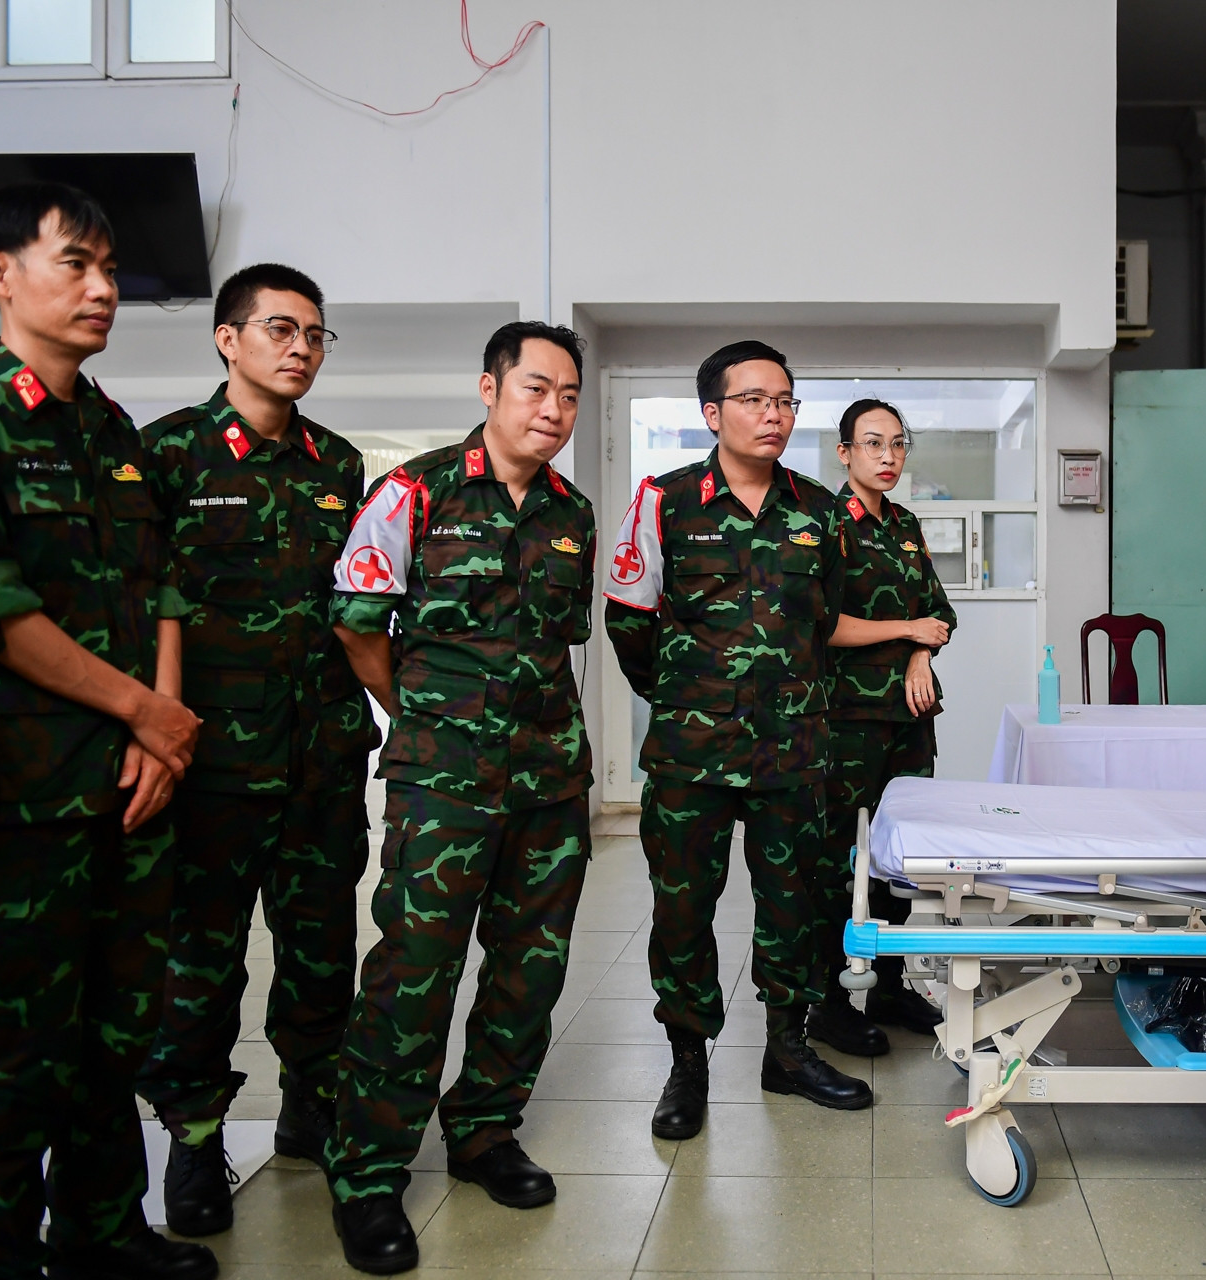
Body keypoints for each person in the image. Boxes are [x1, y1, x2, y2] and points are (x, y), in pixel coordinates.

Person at [0, 182, 215, 1279]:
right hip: (18, 803)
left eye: (110, 269)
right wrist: (144, 709)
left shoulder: (111, 429)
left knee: (114, 1036)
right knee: (12, 1056)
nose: (103, 288)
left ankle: (101, 1235)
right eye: (76, 263)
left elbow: (162, 583)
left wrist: (161, 730)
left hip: (131, 791)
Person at [323, 321, 596, 1274]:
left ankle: (483, 1130)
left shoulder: (572, 511)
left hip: (550, 781)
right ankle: (366, 1171)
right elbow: (358, 624)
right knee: (415, 970)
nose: (554, 410)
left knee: (530, 970)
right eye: (536, 389)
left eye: (569, 395)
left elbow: (561, 641)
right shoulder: (416, 490)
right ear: (490, 389)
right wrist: (421, 716)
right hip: (443, 782)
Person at [134, 264, 379, 1237]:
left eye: (315, 334)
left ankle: (311, 1106)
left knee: (322, 951)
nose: (301, 348)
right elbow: (143, 601)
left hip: (321, 756)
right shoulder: (169, 455)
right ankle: (195, 1136)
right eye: (281, 329)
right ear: (227, 338)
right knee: (201, 959)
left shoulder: (339, 464)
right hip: (213, 765)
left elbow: (354, 602)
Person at [605, 339, 872, 1144]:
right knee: (683, 910)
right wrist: (684, 697)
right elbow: (629, 623)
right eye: (754, 399)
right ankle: (688, 1065)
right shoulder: (663, 500)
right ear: (712, 413)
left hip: (793, 751)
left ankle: (787, 1050)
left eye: (785, 400)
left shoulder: (821, 511)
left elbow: (825, 623)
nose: (773, 414)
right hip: (691, 755)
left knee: (794, 905)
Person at [814, 399, 956, 1047]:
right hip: (848, 718)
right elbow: (824, 625)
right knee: (835, 861)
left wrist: (921, 652)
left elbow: (938, 613)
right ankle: (827, 1000)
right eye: (873, 443)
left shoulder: (904, 524)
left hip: (908, 717)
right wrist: (907, 630)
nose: (888, 456)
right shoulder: (826, 525)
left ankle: (892, 987)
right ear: (844, 452)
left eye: (898, 443)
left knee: (901, 857)